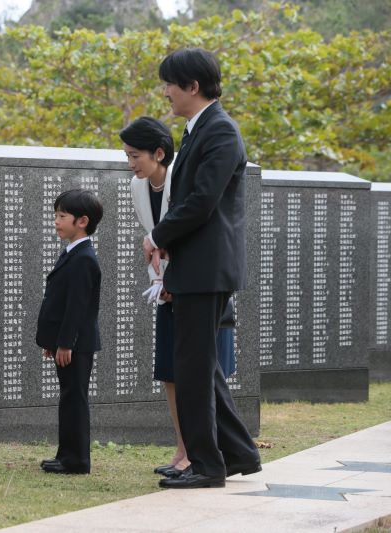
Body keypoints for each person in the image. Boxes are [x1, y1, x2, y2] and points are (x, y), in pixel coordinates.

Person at [142, 48, 261, 489]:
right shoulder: (199, 131)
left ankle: (208, 467)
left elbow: (201, 202)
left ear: (193, 86)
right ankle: (239, 453)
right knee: (202, 365)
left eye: (170, 84)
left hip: (207, 268)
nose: (166, 92)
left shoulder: (221, 132)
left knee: (192, 368)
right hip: (195, 265)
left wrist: (158, 236)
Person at [119, 116, 238, 479]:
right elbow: (152, 238)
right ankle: (184, 449)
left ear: (158, 153)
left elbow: (185, 231)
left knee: (200, 374)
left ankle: (208, 452)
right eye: (126, 155)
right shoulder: (137, 188)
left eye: (135, 155)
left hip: (195, 283)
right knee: (172, 373)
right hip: (166, 289)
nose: (130, 163)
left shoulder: (180, 180)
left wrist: (173, 275)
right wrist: (160, 280)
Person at [36, 189, 103, 475]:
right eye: (56, 215)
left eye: (62, 216)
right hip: (67, 344)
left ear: (82, 221)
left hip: (76, 344)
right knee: (68, 397)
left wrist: (66, 343)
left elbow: (77, 308)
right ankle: (66, 455)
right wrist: (54, 341)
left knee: (75, 398)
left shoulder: (84, 258)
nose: (56, 221)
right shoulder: (72, 253)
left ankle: (77, 460)